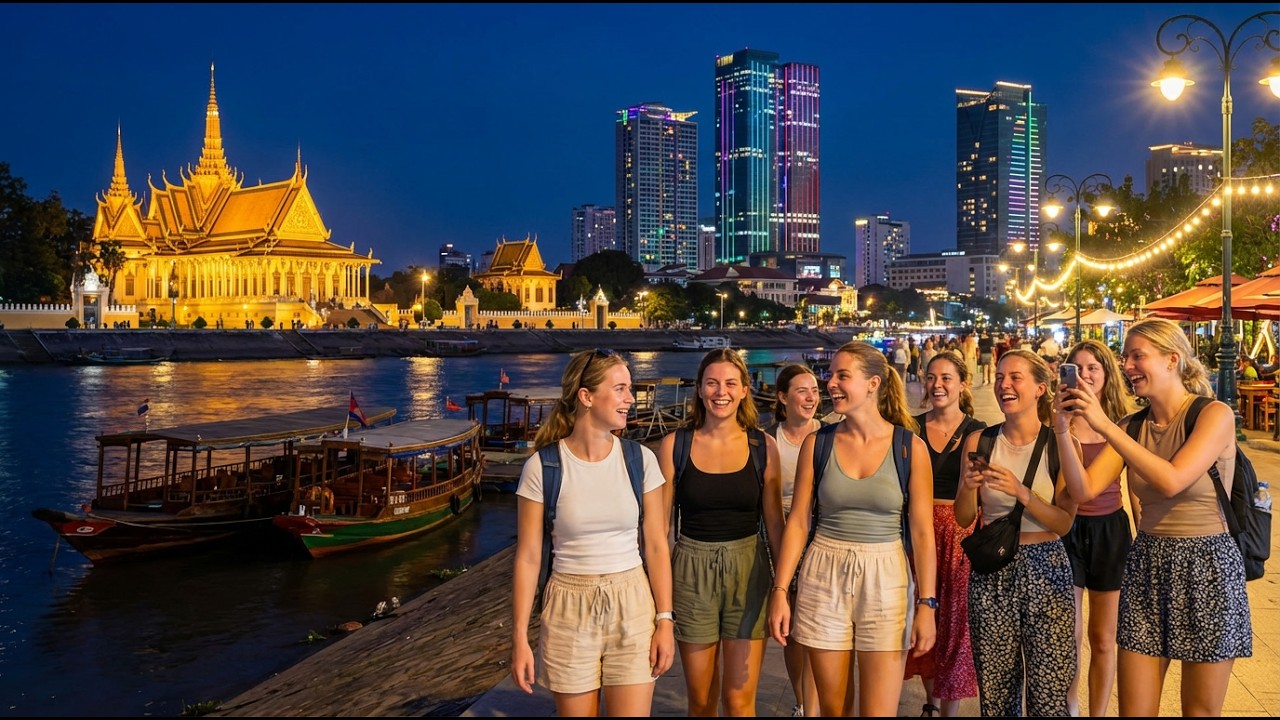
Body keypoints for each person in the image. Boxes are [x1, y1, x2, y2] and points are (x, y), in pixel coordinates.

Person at [1056, 317, 1250, 716]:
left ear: (1172, 360)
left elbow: (1172, 480)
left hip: (1207, 564)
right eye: (1126, 357)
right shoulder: (1133, 426)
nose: (1127, 366)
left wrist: (1105, 425)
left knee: (1199, 711)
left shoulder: (1213, 415)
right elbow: (1084, 491)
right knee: (1135, 710)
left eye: (1137, 356)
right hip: (1147, 564)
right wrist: (1062, 429)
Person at [767, 340, 937, 717]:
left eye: (842, 375)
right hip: (823, 572)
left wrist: (927, 604)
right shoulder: (819, 443)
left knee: (878, 711)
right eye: (831, 375)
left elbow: (923, 534)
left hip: (887, 575)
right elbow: (798, 522)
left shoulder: (910, 448)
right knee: (833, 709)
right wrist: (781, 589)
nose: (831, 384)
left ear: (873, 383)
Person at [511, 348, 676, 716]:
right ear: (586, 397)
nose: (630, 399)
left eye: (629, 389)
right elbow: (529, 557)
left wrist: (664, 619)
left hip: (632, 603)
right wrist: (520, 637)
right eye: (620, 389)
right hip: (568, 605)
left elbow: (656, 545)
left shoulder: (640, 460)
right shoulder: (544, 467)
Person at [658, 348, 785, 716]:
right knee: (700, 700)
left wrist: (784, 588)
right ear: (699, 389)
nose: (720, 392)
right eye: (711, 383)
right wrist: (659, 603)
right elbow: (661, 529)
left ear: (745, 389)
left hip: (749, 571)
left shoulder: (764, 447)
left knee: (739, 700)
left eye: (730, 383)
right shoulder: (675, 446)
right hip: (691, 570)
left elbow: (775, 524)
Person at [955, 349, 1079, 716]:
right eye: (998, 377)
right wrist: (966, 485)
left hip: (1046, 567)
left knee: (1049, 688)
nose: (1003, 385)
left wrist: (1021, 492)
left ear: (1041, 387)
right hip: (993, 571)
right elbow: (965, 518)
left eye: (1014, 378)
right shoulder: (980, 441)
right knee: (996, 690)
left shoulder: (1060, 443)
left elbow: (1064, 522)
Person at [905, 350, 987, 717]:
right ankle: (931, 704)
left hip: (960, 533)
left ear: (962, 384)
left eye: (946, 378)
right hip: (919, 532)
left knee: (956, 624)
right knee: (923, 618)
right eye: (931, 377)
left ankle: (947, 710)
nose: (937, 385)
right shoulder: (910, 427)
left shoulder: (979, 431)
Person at [1059, 340, 1136, 717]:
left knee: (1103, 639)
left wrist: (1144, 540)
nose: (1085, 375)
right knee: (1070, 634)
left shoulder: (1123, 425)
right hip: (1067, 530)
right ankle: (1071, 705)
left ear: (1107, 375)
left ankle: (1098, 712)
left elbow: (1136, 489)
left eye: (1093, 368)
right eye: (1077, 368)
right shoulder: (1057, 421)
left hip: (1110, 531)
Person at [766, 363, 825, 718]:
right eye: (802, 391)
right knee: (793, 629)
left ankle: (818, 701)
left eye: (815, 391)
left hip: (822, 533)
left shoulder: (830, 434)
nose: (811, 397)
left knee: (819, 625)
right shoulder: (769, 441)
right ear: (783, 397)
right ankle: (803, 703)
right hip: (784, 536)